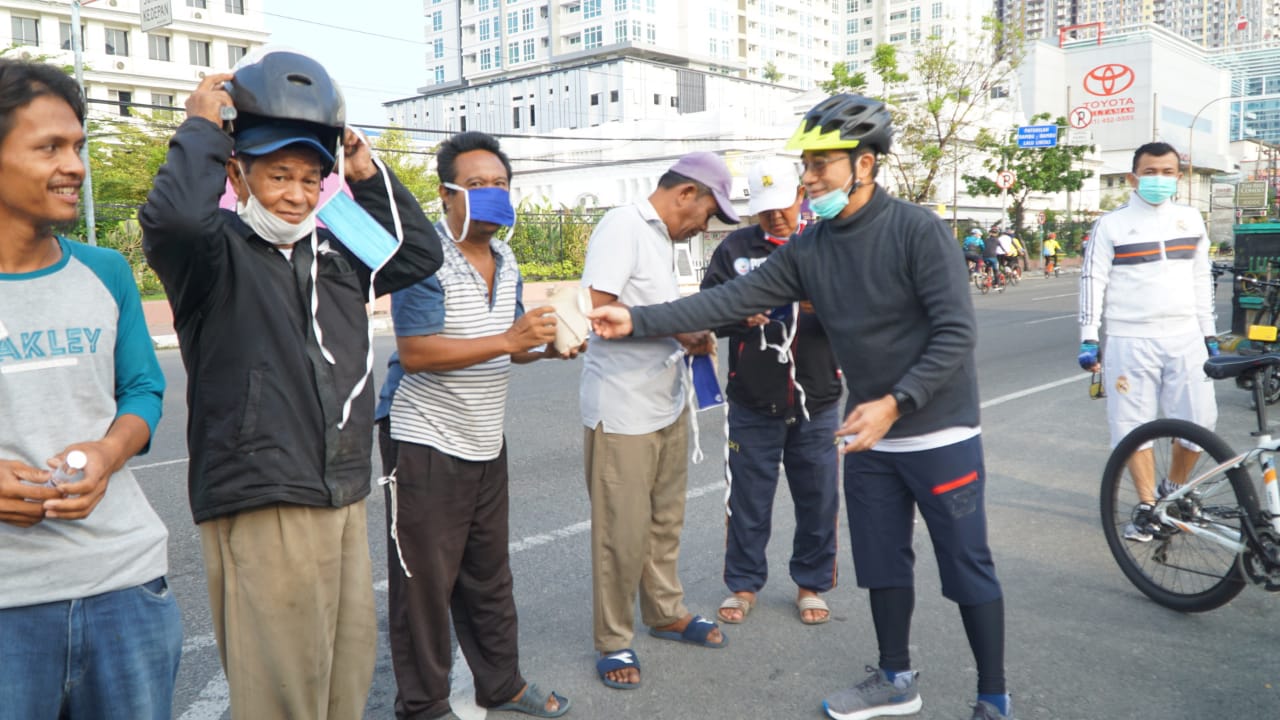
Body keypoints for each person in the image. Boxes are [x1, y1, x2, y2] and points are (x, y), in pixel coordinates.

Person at [587, 94, 1015, 720]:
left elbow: (955, 334)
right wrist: (637, 318)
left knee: (965, 563)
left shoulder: (917, 231)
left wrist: (896, 404)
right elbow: (726, 301)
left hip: (936, 430)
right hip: (866, 435)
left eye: (821, 164)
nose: (808, 179)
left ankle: (993, 696)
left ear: (864, 165)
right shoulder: (811, 249)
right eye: (806, 166)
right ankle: (896, 677)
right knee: (881, 562)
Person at [140, 49, 443, 718]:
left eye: (312, 179)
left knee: (343, 673)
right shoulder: (212, 252)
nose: (298, 194)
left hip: (341, 486)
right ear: (238, 175)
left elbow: (419, 254)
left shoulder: (336, 247)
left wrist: (363, 170)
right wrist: (202, 126)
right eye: (279, 175)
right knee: (281, 690)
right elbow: (173, 219)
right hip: (262, 491)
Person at [0, 57, 180, 720]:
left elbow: (143, 390)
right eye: (49, 147)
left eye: (77, 147)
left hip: (125, 587)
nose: (74, 166)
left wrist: (105, 456)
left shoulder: (104, 272)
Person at [383, 131, 577, 720]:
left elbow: (512, 346)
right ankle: (423, 705)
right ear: (446, 195)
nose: (492, 195)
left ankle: (502, 684)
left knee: (489, 574)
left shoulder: (508, 257)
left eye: (500, 185)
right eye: (476, 186)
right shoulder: (421, 256)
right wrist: (507, 340)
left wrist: (548, 347)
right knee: (424, 585)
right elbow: (416, 352)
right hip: (424, 441)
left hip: (484, 439)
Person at [581, 151, 737, 690]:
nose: (705, 226)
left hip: (665, 401)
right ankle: (614, 639)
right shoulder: (623, 225)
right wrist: (677, 331)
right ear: (685, 193)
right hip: (623, 408)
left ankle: (665, 610)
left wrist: (688, 331)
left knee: (664, 520)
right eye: (708, 213)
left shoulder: (663, 241)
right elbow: (598, 311)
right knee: (620, 534)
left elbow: (655, 309)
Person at [701, 157, 842, 627]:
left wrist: (818, 303)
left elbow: (863, 308)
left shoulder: (828, 242)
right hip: (752, 401)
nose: (775, 217)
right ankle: (742, 584)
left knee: (818, 498)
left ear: (800, 196)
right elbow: (707, 309)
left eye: (781, 206)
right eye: (764, 211)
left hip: (817, 401)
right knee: (747, 499)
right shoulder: (736, 249)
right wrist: (741, 315)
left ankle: (811, 585)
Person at [1078, 141, 1217, 543]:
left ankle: (1172, 494)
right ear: (1132, 177)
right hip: (1129, 338)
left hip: (1185, 336)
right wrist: (1089, 337)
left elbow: (1199, 279)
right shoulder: (1111, 224)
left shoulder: (1191, 219)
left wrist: (1208, 333)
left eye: (1168, 172)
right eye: (1150, 172)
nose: (1159, 179)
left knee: (1200, 421)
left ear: (1180, 176)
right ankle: (1145, 507)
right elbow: (1093, 281)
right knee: (1130, 426)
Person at [982, 226, 1003, 291]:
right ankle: (996, 285)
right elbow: (1002, 247)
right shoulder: (997, 240)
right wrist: (1006, 252)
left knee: (987, 266)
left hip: (984, 257)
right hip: (993, 257)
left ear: (990, 233)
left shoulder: (985, 240)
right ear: (996, 234)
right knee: (996, 271)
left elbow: (983, 247)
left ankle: (985, 277)